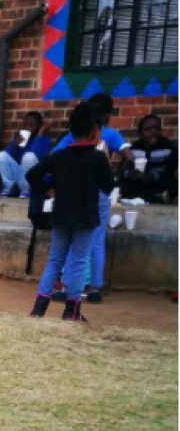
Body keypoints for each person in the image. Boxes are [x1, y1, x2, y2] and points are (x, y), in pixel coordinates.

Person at [27, 102, 115, 323]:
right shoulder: (97, 158)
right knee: (78, 260)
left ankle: (39, 308)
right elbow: (108, 185)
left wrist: (49, 189)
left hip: (61, 215)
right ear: (96, 132)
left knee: (55, 259)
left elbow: (32, 175)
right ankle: (71, 310)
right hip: (85, 216)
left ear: (71, 132)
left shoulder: (59, 156)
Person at [51, 94, 133, 304]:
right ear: (108, 115)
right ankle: (94, 288)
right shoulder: (111, 136)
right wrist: (118, 175)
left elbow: (53, 158)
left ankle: (69, 287)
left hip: (76, 193)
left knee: (73, 241)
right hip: (100, 194)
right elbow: (129, 156)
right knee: (96, 241)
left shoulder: (74, 134)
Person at [121, 114, 177, 203]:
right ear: (140, 133)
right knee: (122, 183)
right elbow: (122, 170)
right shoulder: (134, 149)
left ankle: (161, 196)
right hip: (138, 184)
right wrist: (130, 173)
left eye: (157, 128)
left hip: (159, 184)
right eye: (148, 129)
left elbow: (172, 171)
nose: (153, 131)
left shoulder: (168, 148)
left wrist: (154, 176)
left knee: (174, 184)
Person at [0, 111, 52, 198]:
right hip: (20, 174)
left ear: (39, 126)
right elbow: (8, 158)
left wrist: (40, 135)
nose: (28, 128)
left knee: (29, 156)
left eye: (31, 126)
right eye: (26, 125)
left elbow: (37, 157)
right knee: (0, 156)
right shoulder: (20, 136)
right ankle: (10, 187)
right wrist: (14, 145)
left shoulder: (44, 139)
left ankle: (26, 189)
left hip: (32, 177)